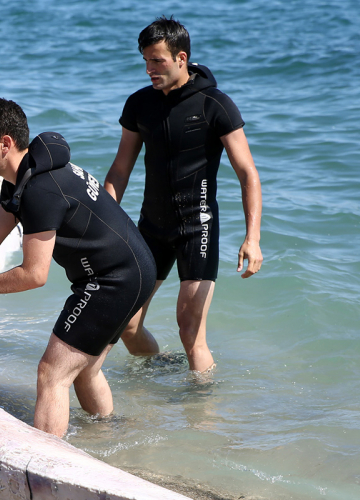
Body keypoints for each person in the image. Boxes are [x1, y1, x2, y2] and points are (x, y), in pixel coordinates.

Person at [0, 98, 156, 437]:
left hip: (113, 279)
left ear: (5, 144)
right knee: (84, 369)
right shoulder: (24, 178)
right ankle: (108, 441)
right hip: (134, 267)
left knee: (52, 374)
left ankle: (45, 471)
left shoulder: (40, 190)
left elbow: (34, 275)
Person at [103, 17, 263, 373]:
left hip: (198, 227)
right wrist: (102, 219)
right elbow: (120, 169)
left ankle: (203, 416)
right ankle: (157, 374)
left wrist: (252, 238)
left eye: (156, 60)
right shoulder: (139, 105)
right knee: (127, 325)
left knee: (190, 332)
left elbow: (247, 173)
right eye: (145, 61)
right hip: (152, 226)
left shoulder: (215, 105)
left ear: (181, 57)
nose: (149, 69)